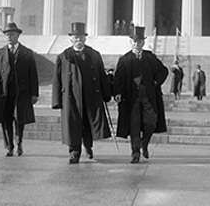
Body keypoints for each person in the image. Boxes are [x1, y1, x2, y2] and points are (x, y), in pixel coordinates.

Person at [51, 22, 112, 164]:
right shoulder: (63, 56)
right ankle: (74, 153)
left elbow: (102, 75)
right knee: (73, 125)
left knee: (89, 123)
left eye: (81, 38)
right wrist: (57, 100)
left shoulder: (94, 55)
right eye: (75, 38)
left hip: (91, 96)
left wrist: (106, 94)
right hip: (71, 97)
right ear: (71, 39)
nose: (78, 41)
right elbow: (57, 80)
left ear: (85, 39)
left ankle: (88, 146)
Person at [113, 26, 169, 163]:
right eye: (133, 41)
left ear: (143, 42)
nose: (136, 44)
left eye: (139, 41)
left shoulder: (150, 58)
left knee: (151, 122)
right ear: (130, 42)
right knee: (134, 125)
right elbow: (117, 79)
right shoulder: (124, 60)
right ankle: (135, 152)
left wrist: (155, 82)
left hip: (149, 96)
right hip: (131, 98)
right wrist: (117, 93)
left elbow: (164, 71)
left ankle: (144, 143)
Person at [0, 22, 39, 157]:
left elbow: (33, 74)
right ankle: (9, 146)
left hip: (21, 92)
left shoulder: (27, 53)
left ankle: (19, 142)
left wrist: (34, 93)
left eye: (11, 34)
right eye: (7, 34)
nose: (9, 37)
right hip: (4, 92)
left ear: (18, 35)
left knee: (20, 119)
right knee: (5, 119)